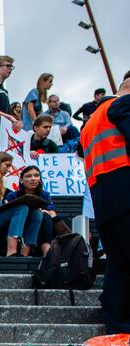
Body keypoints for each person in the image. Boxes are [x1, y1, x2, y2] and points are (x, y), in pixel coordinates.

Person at [80, 71, 130, 332]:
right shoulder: (124, 104)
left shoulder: (91, 122)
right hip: (125, 193)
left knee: (118, 265)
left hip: (104, 201)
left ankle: (118, 325)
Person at [6, 165, 58, 257]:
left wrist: (46, 212)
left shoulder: (44, 195)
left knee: (45, 216)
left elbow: (53, 214)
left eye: (36, 175)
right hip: (18, 228)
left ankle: (47, 253)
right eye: (29, 176)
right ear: (21, 180)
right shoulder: (12, 196)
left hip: (41, 227)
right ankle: (43, 252)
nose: (33, 179)